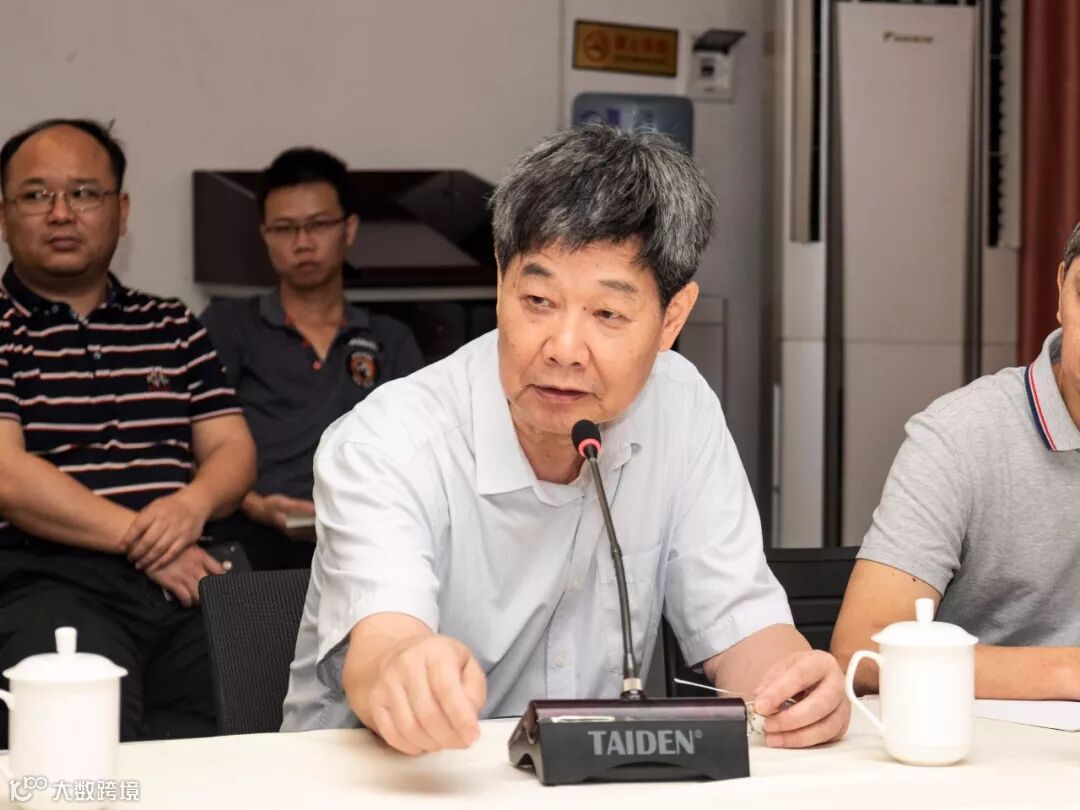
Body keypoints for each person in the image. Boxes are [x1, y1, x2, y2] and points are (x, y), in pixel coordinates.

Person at [281, 124, 850, 753]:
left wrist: (794, 687)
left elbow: (742, 627)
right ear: (500, 281)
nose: (564, 349)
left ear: (672, 318)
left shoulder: (680, 406)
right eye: (537, 299)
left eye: (607, 313)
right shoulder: (387, 443)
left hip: (588, 779)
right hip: (390, 779)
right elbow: (384, 646)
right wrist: (407, 669)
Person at [0, 119, 256, 744]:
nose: (62, 213)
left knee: (270, 722)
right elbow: (7, 476)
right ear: (4, 217)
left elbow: (232, 449)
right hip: (45, 582)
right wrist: (144, 541)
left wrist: (192, 505)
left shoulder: (172, 324)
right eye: (36, 195)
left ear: (122, 211)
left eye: (84, 193)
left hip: (188, 575)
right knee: (77, 748)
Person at [832, 221, 1080, 701]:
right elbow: (860, 649)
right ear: (1060, 291)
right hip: (977, 736)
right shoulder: (960, 434)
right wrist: (1068, 671)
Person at [200, 148, 422, 570]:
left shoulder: (391, 340)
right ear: (265, 235)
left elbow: (420, 455)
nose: (302, 243)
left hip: (366, 544)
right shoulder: (228, 326)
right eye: (284, 228)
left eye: (318, 224)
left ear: (349, 229)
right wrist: (254, 504)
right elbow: (189, 443)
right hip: (248, 544)